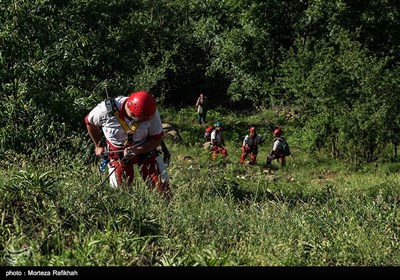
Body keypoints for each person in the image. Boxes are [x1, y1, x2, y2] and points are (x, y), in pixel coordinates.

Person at [84, 91, 171, 197]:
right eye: (139, 119)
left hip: (145, 150)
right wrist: (98, 145)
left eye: (144, 120)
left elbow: (156, 139)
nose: (142, 121)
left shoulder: (150, 112)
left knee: (161, 189)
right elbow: (89, 122)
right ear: (131, 111)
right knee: (121, 193)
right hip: (118, 154)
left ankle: (164, 210)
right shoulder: (105, 111)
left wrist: (138, 150)